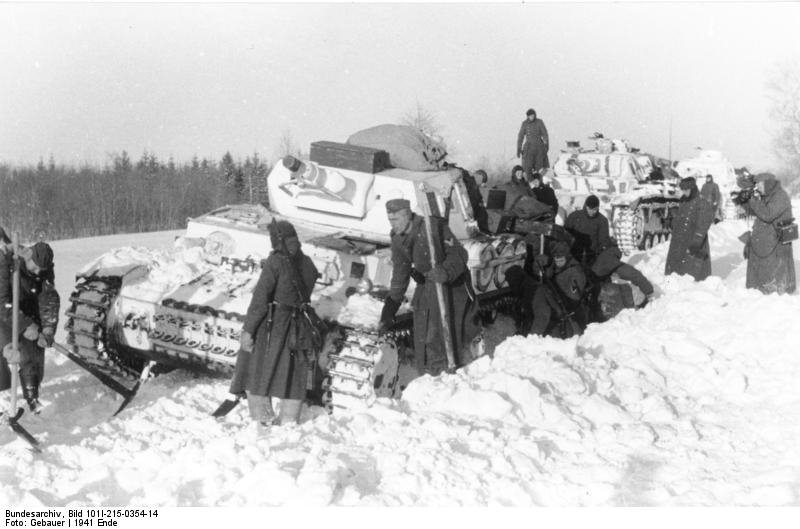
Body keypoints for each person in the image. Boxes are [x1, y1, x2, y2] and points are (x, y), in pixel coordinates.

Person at [230, 220, 320, 428]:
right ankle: (289, 419)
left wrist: (249, 329)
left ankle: (263, 417)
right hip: (299, 326)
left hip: (274, 325)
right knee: (293, 373)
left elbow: (260, 299)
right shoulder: (307, 263)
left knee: (256, 369)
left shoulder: (276, 262)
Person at [379, 199, 481, 376]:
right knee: (424, 334)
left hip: (451, 286)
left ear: (407, 215)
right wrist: (391, 306)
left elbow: (459, 254)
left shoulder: (433, 227)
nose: (392, 224)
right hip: (427, 286)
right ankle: (431, 375)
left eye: (395, 220)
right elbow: (400, 273)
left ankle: (456, 373)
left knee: (447, 334)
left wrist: (445, 271)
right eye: (389, 220)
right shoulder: (397, 239)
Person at [0, 238, 60, 413]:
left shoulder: (45, 269)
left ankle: (32, 396)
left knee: (33, 351)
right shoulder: (6, 262)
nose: (37, 272)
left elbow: (49, 300)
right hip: (3, 309)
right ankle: (3, 398)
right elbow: (1, 303)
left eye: (41, 270)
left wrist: (47, 329)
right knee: (6, 349)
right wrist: (25, 326)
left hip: (23, 308)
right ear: (27, 256)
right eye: (33, 267)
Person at [565, 195, 654, 308]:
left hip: (594, 258)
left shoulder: (602, 220)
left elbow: (603, 241)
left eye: (595, 209)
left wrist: (603, 251)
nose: (592, 212)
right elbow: (565, 235)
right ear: (585, 206)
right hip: (574, 256)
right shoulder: (574, 216)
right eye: (589, 208)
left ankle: (648, 292)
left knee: (629, 273)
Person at [741, 173, 796, 294]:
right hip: (765, 241)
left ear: (768, 183)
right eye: (757, 184)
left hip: (775, 243)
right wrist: (745, 201)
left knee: (774, 272)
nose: (758, 187)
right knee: (763, 269)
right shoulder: (767, 195)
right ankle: (758, 289)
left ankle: (773, 292)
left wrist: (753, 200)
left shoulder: (780, 196)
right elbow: (757, 212)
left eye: (760, 184)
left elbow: (767, 214)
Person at [530, 241, 586, 338]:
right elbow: (541, 274)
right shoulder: (556, 268)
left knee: (541, 291)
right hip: (557, 304)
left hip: (567, 311)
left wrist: (555, 287)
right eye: (556, 259)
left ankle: (534, 335)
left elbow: (574, 298)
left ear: (567, 257)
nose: (558, 262)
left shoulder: (575, 271)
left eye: (561, 259)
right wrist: (539, 264)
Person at [665, 177, 715, 281]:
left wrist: (696, 242)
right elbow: (680, 217)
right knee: (676, 268)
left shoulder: (702, 202)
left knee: (693, 270)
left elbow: (703, 224)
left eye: (687, 190)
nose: (685, 192)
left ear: (693, 189)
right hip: (680, 239)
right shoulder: (683, 200)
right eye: (683, 190)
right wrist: (672, 222)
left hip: (693, 239)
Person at [516, 108, 550, 178]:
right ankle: (528, 183)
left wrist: (546, 144)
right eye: (530, 116)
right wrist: (518, 148)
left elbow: (545, 134)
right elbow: (520, 136)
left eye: (533, 115)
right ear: (527, 116)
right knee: (527, 167)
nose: (532, 117)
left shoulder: (539, 122)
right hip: (529, 148)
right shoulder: (525, 124)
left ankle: (541, 182)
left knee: (540, 168)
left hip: (539, 147)